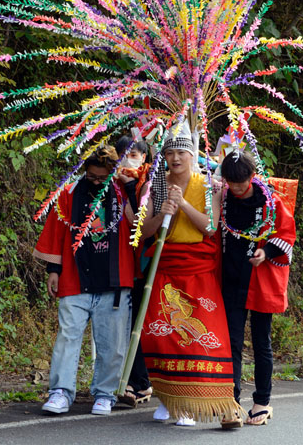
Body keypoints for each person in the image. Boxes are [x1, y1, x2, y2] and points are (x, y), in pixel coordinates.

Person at [137, 123, 244, 427]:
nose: (176, 158)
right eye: (170, 152)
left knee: (199, 336)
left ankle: (194, 402)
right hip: (166, 264)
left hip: (198, 268)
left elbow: (210, 226)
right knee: (162, 335)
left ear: (192, 154)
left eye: (182, 151)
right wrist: (163, 213)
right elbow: (143, 232)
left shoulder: (209, 184)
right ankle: (168, 398)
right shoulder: (154, 184)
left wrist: (182, 204)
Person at [32, 145, 135, 415]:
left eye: (103, 178)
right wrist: (53, 270)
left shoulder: (124, 191)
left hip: (114, 279)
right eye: (92, 177)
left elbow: (140, 224)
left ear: (113, 173)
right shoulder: (69, 193)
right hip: (75, 275)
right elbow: (56, 229)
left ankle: (105, 393)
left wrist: (132, 188)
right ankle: (60, 392)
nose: (98, 182)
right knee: (68, 336)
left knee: (112, 341)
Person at [219, 151, 296, 427]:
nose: (237, 189)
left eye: (241, 183)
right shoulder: (223, 197)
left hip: (261, 278)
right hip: (231, 277)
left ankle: (262, 401)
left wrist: (265, 251)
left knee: (262, 342)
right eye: (231, 183)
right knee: (232, 343)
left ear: (252, 177)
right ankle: (230, 402)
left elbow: (287, 235)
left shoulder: (271, 202)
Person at [112, 136, 154, 407]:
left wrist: (130, 188)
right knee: (126, 324)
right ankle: (138, 381)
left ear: (145, 157)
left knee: (139, 323)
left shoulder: (148, 182)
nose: (129, 159)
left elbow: (141, 219)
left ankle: (140, 381)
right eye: (123, 154)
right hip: (117, 260)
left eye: (135, 154)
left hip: (142, 261)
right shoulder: (109, 180)